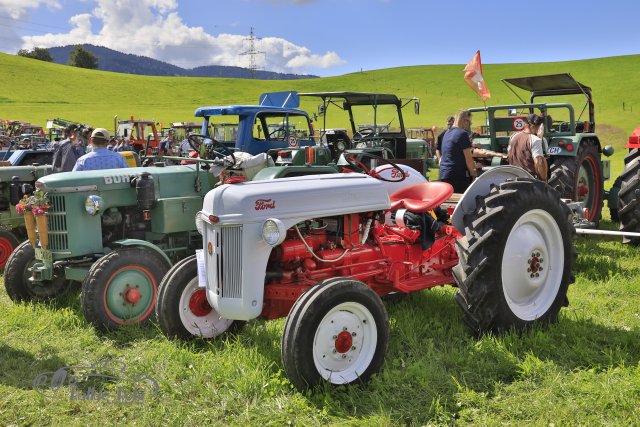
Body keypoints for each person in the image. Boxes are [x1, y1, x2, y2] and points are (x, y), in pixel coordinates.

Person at [439, 110, 477, 193]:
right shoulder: (462, 134)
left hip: (444, 174)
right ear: (464, 120)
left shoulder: (446, 133)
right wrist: (473, 173)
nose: (469, 124)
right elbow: (468, 158)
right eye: (469, 122)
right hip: (457, 176)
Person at [507, 113, 548, 181]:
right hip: (529, 180)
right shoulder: (535, 140)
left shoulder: (513, 136)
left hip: (513, 178)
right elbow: (539, 162)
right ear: (535, 127)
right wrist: (543, 179)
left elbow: (509, 156)